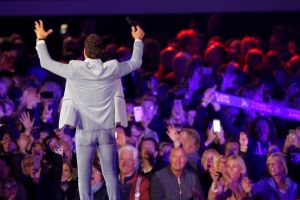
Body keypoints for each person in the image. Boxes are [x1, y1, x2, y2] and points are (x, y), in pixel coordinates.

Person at [34, 20, 145, 200]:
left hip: (85, 131)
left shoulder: (75, 69)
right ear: (102, 52)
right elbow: (136, 62)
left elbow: (46, 62)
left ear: (84, 52)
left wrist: (40, 39)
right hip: (106, 131)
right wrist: (138, 40)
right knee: (110, 174)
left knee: (84, 177)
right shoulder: (113, 68)